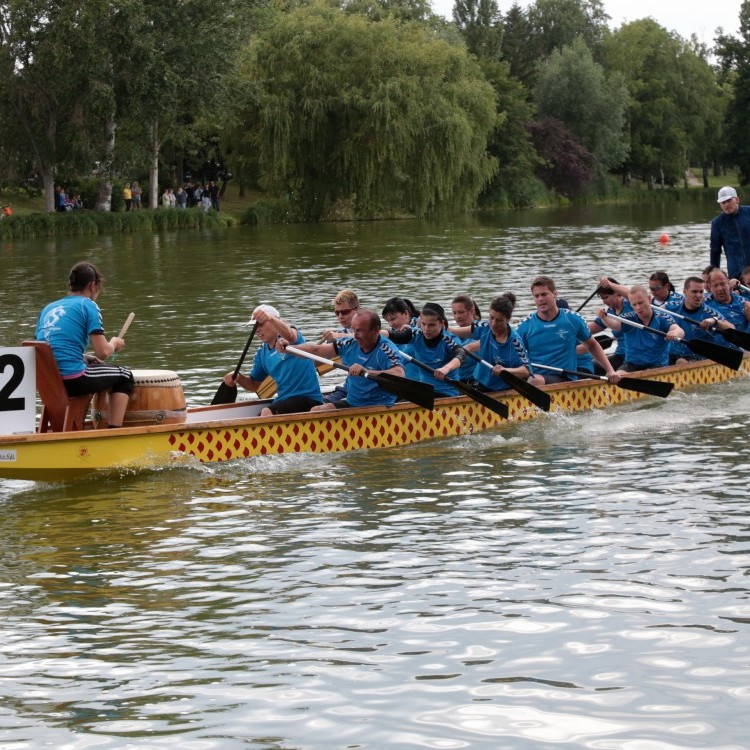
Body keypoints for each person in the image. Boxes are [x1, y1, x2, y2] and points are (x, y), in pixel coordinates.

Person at [35, 261, 134, 428]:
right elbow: (102, 352)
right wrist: (114, 343)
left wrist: (83, 357)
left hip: (48, 383)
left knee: (98, 370)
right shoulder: (87, 305)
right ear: (93, 285)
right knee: (124, 375)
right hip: (73, 380)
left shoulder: (48, 308)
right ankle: (113, 433)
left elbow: (47, 348)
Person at [285, 309, 405, 410]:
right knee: (316, 410)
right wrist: (289, 348)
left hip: (379, 406)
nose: (355, 335)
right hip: (353, 402)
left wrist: (368, 372)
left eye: (360, 331)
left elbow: (400, 374)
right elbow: (316, 350)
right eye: (353, 330)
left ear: (375, 330)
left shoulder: (386, 349)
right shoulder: (349, 343)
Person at [517, 275, 620, 385]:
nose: (540, 299)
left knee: (535, 380)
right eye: (536, 296)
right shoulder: (525, 326)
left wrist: (610, 371)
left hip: (563, 377)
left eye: (544, 294)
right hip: (535, 375)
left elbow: (592, 345)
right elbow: (512, 353)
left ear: (554, 294)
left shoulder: (573, 319)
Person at [222, 305, 322, 416]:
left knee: (266, 412)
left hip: (309, 399)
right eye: (254, 327)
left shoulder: (290, 338)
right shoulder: (261, 353)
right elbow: (254, 384)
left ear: (275, 321)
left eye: (260, 324)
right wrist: (239, 378)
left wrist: (270, 318)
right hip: (284, 400)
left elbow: (290, 335)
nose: (257, 330)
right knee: (257, 417)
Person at [598, 285, 684, 372]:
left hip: (657, 365)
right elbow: (615, 325)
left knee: (647, 372)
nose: (638, 307)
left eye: (641, 303)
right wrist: (604, 318)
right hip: (631, 365)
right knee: (618, 375)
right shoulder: (629, 318)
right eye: (634, 305)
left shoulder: (662, 317)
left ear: (649, 299)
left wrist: (674, 333)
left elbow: (679, 330)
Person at [465, 293, 529, 391]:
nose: (493, 324)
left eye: (499, 320)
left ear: (508, 319)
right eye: (491, 317)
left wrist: (504, 370)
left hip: (505, 388)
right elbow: (455, 331)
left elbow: (526, 371)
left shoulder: (515, 342)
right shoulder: (485, 327)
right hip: (482, 383)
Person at [665, 276, 736, 364]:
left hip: (699, 358)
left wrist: (715, 321)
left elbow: (732, 328)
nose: (698, 295)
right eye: (694, 292)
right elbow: (655, 313)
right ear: (685, 292)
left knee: (681, 362)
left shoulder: (709, 312)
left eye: (701, 292)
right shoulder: (671, 306)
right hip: (673, 354)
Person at [399, 303, 465, 398]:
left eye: (431, 325)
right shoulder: (416, 334)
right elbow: (392, 335)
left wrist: (446, 368)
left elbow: (461, 355)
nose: (426, 329)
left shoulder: (449, 339)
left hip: (446, 393)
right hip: (426, 391)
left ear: (441, 324)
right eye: (424, 324)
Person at [320, 289, 361, 404]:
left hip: (368, 390)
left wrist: (337, 336)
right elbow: (319, 359)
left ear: (357, 310)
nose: (340, 316)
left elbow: (361, 337)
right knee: (316, 403)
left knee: (321, 408)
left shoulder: (369, 326)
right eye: (337, 313)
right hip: (349, 387)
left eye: (345, 312)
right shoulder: (341, 332)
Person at [588, 277, 634, 371]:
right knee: (590, 367)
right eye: (602, 298)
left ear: (617, 293)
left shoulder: (632, 305)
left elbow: (632, 294)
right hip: (620, 356)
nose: (604, 301)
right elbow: (588, 329)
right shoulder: (609, 313)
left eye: (606, 297)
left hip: (635, 358)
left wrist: (610, 285)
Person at [710, 186, 750, 279]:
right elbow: (715, 251)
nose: (726, 204)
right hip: (736, 273)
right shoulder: (717, 223)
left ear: (737, 199)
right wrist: (714, 272)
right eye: (723, 202)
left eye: (729, 201)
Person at [450, 293, 483, 382]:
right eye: (454, 313)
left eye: (461, 312)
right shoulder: (454, 336)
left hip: (478, 384)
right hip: (459, 384)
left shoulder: (482, 329)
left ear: (472, 311)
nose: (457, 316)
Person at [705, 268, 750, 332]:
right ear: (710, 287)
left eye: (722, 284)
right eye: (715, 285)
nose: (720, 288)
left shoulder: (744, 304)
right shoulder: (703, 301)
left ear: (728, 283)